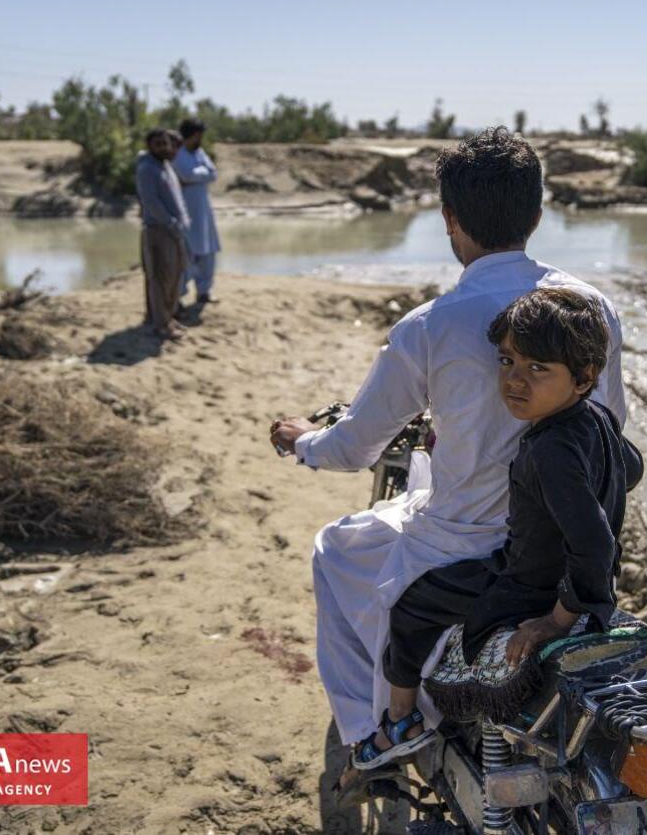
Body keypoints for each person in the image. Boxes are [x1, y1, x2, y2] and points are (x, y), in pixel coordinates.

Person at [268, 128, 627, 785]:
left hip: (468, 549)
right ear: (538, 216)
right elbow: (615, 426)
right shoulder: (592, 306)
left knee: (335, 547)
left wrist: (304, 442)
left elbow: (355, 447)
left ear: (449, 220)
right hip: (562, 548)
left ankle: (379, 727)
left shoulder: (430, 326)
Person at [352, 287, 643, 769]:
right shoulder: (597, 418)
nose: (515, 382)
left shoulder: (550, 449)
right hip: (558, 578)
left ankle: (400, 722)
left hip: (527, 586)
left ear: (585, 377)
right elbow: (631, 469)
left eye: (538, 369)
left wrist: (556, 619)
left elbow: (593, 542)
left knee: (409, 607)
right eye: (508, 361)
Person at [135, 128, 190, 340]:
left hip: (174, 231)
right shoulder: (147, 168)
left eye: (166, 143)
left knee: (175, 277)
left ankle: (168, 318)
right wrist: (171, 222)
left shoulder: (166, 166)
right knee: (160, 278)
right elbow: (151, 202)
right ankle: (160, 325)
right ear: (150, 146)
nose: (164, 147)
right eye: (158, 144)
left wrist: (182, 222)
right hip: (159, 230)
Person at [174, 117, 221, 306]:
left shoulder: (200, 153)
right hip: (186, 210)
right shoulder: (178, 154)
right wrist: (201, 173)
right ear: (193, 135)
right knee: (186, 255)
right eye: (199, 135)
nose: (201, 139)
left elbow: (213, 173)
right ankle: (178, 297)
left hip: (203, 211)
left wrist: (198, 173)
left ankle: (204, 292)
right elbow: (186, 175)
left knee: (208, 252)